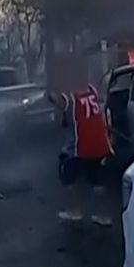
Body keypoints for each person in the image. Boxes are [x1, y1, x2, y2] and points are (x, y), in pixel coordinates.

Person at [52, 84, 114, 226]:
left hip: (80, 147)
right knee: (98, 182)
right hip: (100, 144)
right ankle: (103, 216)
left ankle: (75, 211)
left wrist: (52, 98)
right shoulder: (92, 90)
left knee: (67, 177)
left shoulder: (69, 96)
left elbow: (61, 111)